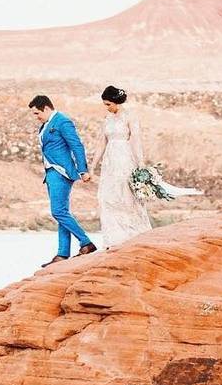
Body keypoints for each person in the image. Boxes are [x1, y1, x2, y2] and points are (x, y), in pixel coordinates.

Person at [29, 95, 97, 267]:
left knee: (58, 211)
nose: (36, 117)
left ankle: (86, 243)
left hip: (61, 171)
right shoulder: (45, 125)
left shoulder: (62, 121)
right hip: (50, 172)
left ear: (46, 108)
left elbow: (76, 145)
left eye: (37, 113)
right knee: (62, 212)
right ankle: (62, 253)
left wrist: (83, 170)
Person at [90, 86, 152, 248]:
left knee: (125, 195)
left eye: (109, 104)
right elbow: (101, 143)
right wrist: (93, 166)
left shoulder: (130, 117)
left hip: (124, 158)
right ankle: (114, 238)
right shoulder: (107, 119)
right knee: (108, 196)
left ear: (116, 102)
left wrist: (140, 163)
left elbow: (136, 140)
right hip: (110, 161)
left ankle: (133, 234)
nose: (107, 107)